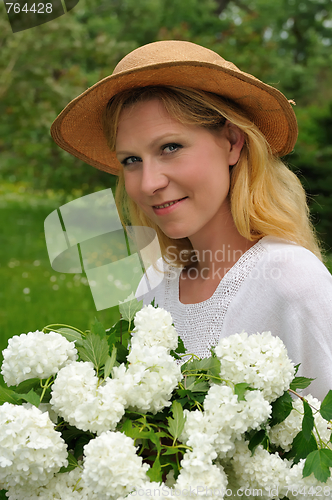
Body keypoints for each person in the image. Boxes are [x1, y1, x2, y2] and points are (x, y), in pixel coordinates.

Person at [51, 40, 332, 400]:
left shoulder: (292, 282)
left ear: (232, 141)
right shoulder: (152, 286)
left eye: (170, 148)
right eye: (131, 160)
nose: (150, 182)